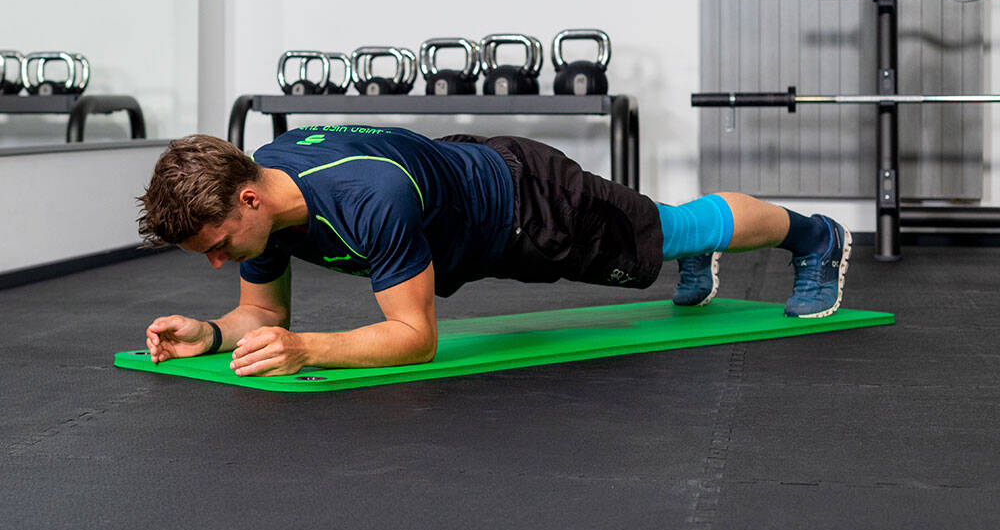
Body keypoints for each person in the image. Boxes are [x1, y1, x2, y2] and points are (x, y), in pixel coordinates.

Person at [137, 127, 851, 377]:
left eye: (219, 246)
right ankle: (693, 250)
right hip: (464, 187)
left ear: (248, 200)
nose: (219, 262)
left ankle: (815, 236)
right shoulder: (264, 190)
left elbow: (415, 339)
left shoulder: (369, 197)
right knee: (662, 235)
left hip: (528, 203)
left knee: (671, 230)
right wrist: (209, 333)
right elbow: (261, 314)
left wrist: (308, 349)